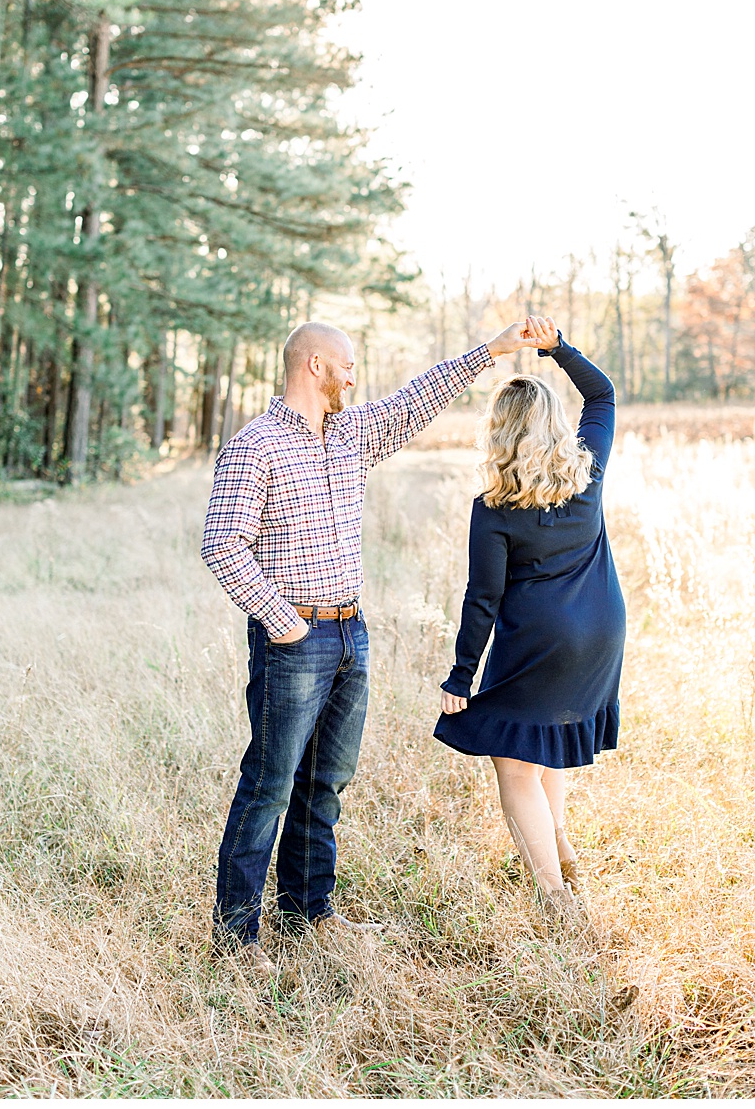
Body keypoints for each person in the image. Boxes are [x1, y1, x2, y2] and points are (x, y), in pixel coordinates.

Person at [201, 315, 547, 975]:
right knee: (270, 785)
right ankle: (235, 940)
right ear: (314, 367)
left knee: (325, 783)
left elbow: (418, 398)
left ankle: (308, 912)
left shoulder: (353, 433)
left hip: (352, 633)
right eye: (348, 364)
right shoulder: (255, 447)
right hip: (293, 638)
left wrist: (493, 351)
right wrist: (285, 623)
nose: (356, 376)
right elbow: (222, 545)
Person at [432, 315, 625, 921]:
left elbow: (482, 598)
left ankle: (555, 898)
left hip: (539, 639)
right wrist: (559, 348)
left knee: (514, 763)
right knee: (541, 740)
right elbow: (603, 393)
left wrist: (462, 677)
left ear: (500, 432)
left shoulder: (494, 507)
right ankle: (563, 852)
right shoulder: (586, 471)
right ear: (554, 426)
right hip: (601, 631)